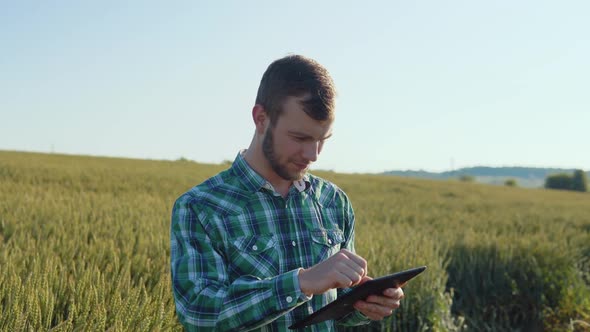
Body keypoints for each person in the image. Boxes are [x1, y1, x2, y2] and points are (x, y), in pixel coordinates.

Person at [170, 54, 404, 331]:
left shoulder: (333, 202)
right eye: (300, 138)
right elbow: (199, 314)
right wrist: (301, 283)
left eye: (322, 140)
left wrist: (365, 303)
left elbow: (337, 306)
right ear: (261, 118)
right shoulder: (201, 207)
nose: (313, 154)